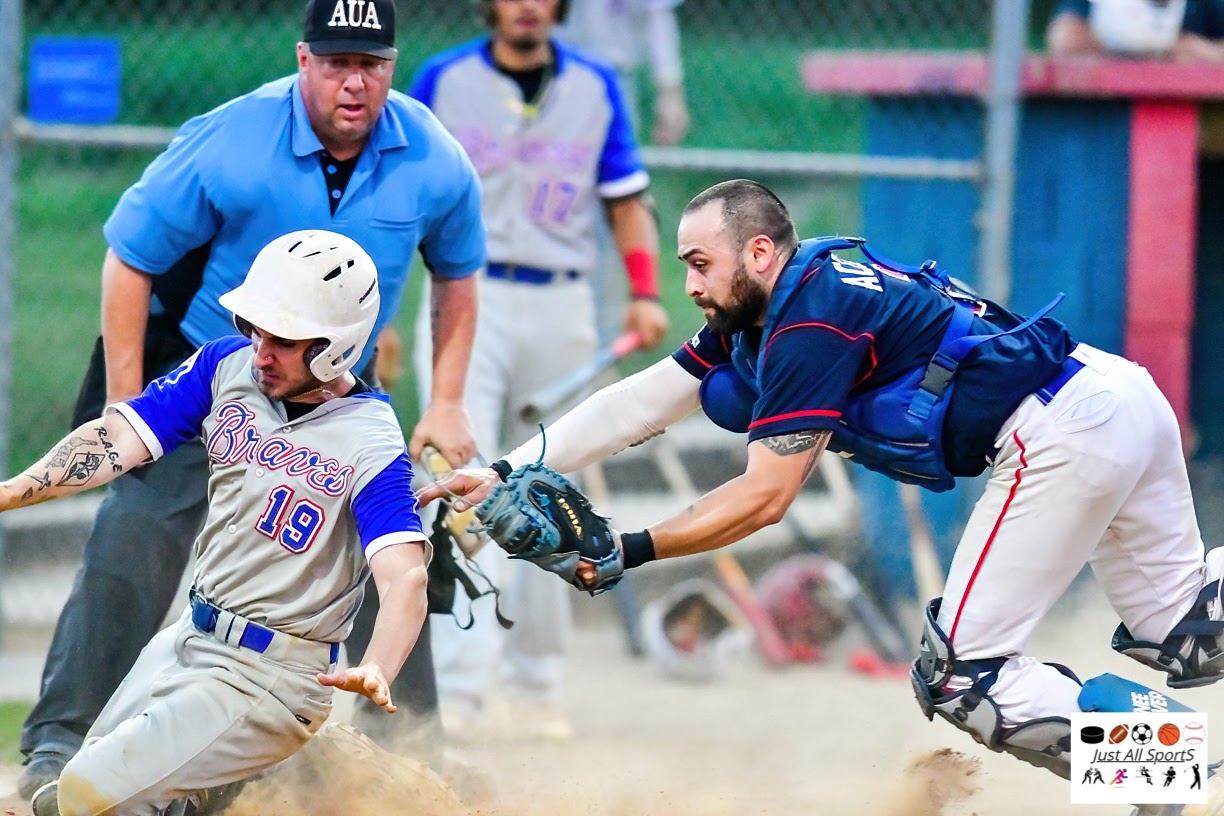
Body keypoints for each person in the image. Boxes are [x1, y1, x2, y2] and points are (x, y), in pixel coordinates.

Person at [421, 178, 1224, 811]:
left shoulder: (808, 318)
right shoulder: (772, 306)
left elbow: (766, 496)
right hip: (1113, 392)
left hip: (1062, 432)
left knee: (961, 676)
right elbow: (641, 401)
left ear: (760, 251)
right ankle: (1176, 770)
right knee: (1186, 632)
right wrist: (504, 465)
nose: (690, 283)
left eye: (700, 263)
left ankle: (1172, 767)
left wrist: (629, 549)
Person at [17, 0, 486, 799]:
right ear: (304, 60)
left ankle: (407, 756)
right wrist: (125, 400)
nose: (354, 81)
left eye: (371, 64)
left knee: (389, 552)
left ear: (394, 69)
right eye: (337, 61)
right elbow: (128, 258)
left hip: (332, 385)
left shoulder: (433, 159)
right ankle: (58, 742)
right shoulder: (232, 138)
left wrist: (446, 402)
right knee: (136, 535)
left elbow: (458, 274)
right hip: (214, 371)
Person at [12, 230, 430, 816]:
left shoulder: (373, 443)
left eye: (283, 339)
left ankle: (279, 759)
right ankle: (272, 774)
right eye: (256, 329)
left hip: (274, 676)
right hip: (188, 639)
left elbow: (404, 578)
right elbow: (118, 440)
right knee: (95, 790)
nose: (261, 350)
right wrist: (8, 493)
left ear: (336, 346)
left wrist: (379, 666)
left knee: (81, 799)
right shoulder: (226, 367)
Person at [407, 0, 668, 740]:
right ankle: (457, 692)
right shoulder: (442, 79)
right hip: (463, 300)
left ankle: (537, 683)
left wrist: (646, 289)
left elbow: (626, 200)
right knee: (461, 481)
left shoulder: (595, 84)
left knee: (551, 489)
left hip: (561, 302)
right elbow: (401, 202)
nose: (527, 6)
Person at [556, 0, 690, 345]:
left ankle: (597, 339)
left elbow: (656, 16)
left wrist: (670, 91)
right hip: (542, 74)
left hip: (612, 76)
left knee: (610, 219)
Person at [1047, 0, 1224, 60]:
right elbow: (1064, 38)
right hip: (1102, 115)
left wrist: (1197, 49)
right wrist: (1156, 47)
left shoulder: (1201, 6)